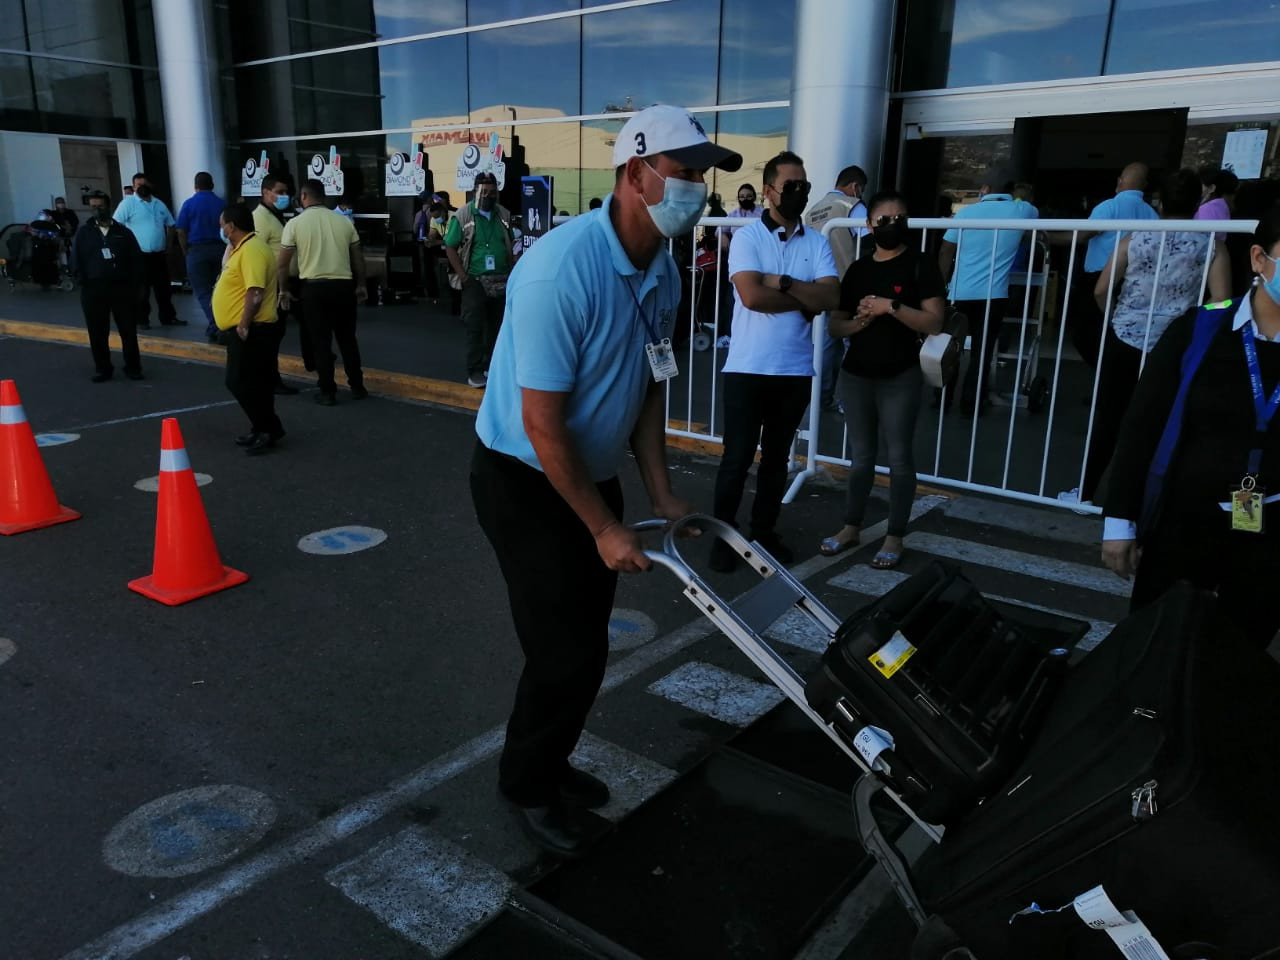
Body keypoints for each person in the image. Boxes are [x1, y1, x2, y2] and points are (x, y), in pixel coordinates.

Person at [470, 103, 741, 858]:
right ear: (635, 174)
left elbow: (651, 385)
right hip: (524, 478)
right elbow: (542, 426)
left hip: (588, 475)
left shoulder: (662, 272)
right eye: (685, 176)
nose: (697, 192)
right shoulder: (563, 270)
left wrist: (657, 492)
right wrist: (603, 527)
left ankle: (549, 764)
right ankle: (527, 786)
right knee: (562, 649)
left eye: (702, 180)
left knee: (586, 642)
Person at [1101, 207, 1280, 650]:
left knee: (1238, 657)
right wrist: (1119, 523)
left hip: (1269, 536)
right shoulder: (1200, 328)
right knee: (1154, 647)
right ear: (1260, 260)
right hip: (1184, 522)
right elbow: (1142, 425)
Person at [710, 150, 840, 572]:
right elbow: (750, 295)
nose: (799, 193)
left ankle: (763, 533)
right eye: (791, 186)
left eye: (804, 186)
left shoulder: (817, 241)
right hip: (747, 368)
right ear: (768, 192)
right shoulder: (748, 237)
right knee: (737, 459)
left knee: (776, 461)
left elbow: (830, 297)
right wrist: (802, 296)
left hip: (795, 371)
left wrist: (780, 282)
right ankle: (723, 537)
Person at [1074, 168, 1232, 504]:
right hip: (1175, 344)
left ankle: (1085, 494)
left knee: (1110, 417)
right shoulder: (1212, 246)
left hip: (1125, 337)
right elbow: (1221, 303)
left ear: (1158, 201)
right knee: (1161, 420)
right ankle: (1144, 498)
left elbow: (1101, 289)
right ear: (1198, 201)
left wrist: (1116, 317)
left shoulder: (1135, 238)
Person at [819, 191, 946, 566]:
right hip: (857, 374)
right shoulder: (858, 270)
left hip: (900, 375)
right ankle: (851, 526)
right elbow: (835, 326)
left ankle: (894, 536)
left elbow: (934, 322)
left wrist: (889, 307)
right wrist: (859, 321)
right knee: (860, 458)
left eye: (900, 218)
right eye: (884, 219)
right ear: (869, 225)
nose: (892, 225)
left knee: (900, 459)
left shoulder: (921, 265)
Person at [937, 165, 1038, 415]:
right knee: (983, 351)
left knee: (950, 348)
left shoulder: (967, 213)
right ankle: (971, 404)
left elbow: (945, 250)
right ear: (1010, 191)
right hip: (994, 295)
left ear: (985, 189)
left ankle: (942, 400)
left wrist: (941, 285)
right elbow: (1032, 212)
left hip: (959, 293)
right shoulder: (1022, 210)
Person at [278, 178, 368, 405]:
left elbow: (282, 263)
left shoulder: (295, 224)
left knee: (320, 342)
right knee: (348, 339)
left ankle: (327, 391)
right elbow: (358, 257)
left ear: (304, 197)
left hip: (313, 290)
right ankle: (357, 386)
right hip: (343, 287)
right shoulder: (344, 223)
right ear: (323, 196)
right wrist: (361, 284)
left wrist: (284, 290)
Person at [1070, 163, 1159, 366]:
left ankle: (1100, 372)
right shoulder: (1151, 214)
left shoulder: (1109, 206)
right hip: (1135, 280)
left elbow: (1084, 235)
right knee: (1120, 334)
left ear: (1120, 181)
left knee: (1085, 332)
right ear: (1144, 186)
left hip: (1098, 277)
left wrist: (1050, 237)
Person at [214, 203, 284, 455]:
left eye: (223, 225)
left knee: (240, 381)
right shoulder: (240, 249)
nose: (221, 229)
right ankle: (262, 427)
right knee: (253, 382)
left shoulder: (252, 249)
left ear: (231, 226)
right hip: (248, 329)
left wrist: (243, 325)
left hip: (253, 329)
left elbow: (255, 291)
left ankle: (268, 428)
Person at [806, 164, 871, 411]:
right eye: (861, 189)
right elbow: (867, 244)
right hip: (846, 286)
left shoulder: (813, 210)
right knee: (850, 346)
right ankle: (846, 401)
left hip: (818, 289)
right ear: (855, 187)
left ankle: (819, 400)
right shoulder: (852, 206)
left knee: (822, 347)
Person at [445, 171, 514, 388]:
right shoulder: (463, 215)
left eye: (493, 191)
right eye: (484, 191)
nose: (489, 195)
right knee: (475, 326)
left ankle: (492, 367)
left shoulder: (503, 214)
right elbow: (450, 247)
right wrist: (463, 276)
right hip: (474, 279)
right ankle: (474, 371)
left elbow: (512, 243)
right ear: (476, 191)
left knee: (497, 326)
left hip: (500, 278)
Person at [70, 191, 145, 382]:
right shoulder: (84, 232)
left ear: (109, 207)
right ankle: (103, 368)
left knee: (128, 330)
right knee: (97, 332)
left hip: (121, 288)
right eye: (93, 207)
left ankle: (133, 367)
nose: (97, 210)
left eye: (100, 206)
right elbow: (76, 259)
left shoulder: (123, 232)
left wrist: (135, 286)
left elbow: (136, 260)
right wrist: (82, 281)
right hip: (94, 289)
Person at [252, 175, 305, 392]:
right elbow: (257, 254)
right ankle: (270, 379)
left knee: (280, 331)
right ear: (266, 192)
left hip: (287, 282)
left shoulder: (276, 216)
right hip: (274, 285)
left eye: (286, 192)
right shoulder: (260, 219)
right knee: (272, 333)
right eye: (280, 192)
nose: (284, 196)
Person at [113, 172, 180, 328]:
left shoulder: (159, 204)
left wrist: (169, 245)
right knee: (141, 291)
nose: (141, 187)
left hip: (159, 255)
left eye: (144, 184)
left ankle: (168, 317)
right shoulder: (128, 204)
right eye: (138, 185)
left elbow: (171, 224)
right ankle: (142, 320)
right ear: (134, 187)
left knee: (164, 289)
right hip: (139, 255)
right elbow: (116, 225)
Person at [712, 183, 765, 348]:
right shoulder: (733, 214)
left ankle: (755, 336)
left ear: (754, 197)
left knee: (757, 298)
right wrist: (723, 235)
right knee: (732, 300)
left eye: (749, 196)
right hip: (737, 263)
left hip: (759, 262)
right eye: (742, 196)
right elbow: (719, 229)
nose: (745, 199)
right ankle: (730, 335)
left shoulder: (762, 213)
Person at [175, 172, 225, 342]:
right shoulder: (222, 204)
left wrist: (185, 250)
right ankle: (223, 322)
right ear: (212, 185)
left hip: (197, 251)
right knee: (221, 289)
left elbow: (181, 230)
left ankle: (216, 325)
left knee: (203, 291)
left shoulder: (189, 204)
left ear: (195, 186)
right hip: (220, 250)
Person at [1195, 168, 1239, 242]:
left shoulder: (1207, 209)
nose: (1196, 188)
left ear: (1211, 188)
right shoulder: (1221, 206)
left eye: (1200, 185)